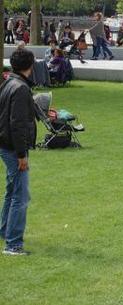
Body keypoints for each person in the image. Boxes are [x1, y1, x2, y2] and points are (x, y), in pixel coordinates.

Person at [0, 48, 37, 256]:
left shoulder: (8, 83)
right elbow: (17, 123)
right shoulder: (20, 88)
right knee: (20, 196)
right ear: (29, 66)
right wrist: (22, 155)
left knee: (12, 191)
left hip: (6, 145)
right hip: (13, 149)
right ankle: (13, 244)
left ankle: (5, 231)